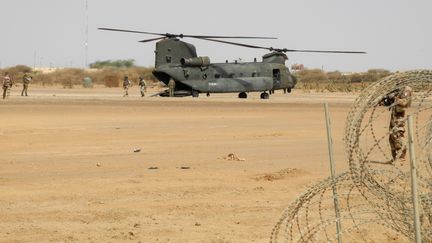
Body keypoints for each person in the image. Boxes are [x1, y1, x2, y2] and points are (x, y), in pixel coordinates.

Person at [388, 86, 412, 162]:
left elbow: (405, 102)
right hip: (394, 117)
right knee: (392, 137)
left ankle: (402, 157)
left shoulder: (406, 90)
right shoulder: (398, 89)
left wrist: (394, 98)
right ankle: (394, 158)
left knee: (399, 136)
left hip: (399, 118)